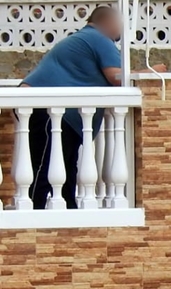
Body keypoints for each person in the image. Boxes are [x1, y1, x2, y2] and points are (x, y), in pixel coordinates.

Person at [20, 6, 123, 209]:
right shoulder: (98, 38)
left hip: (53, 111)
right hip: (49, 110)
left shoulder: (84, 38)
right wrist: (150, 72)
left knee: (65, 166)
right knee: (45, 166)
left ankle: (67, 208)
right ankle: (32, 212)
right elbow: (117, 76)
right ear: (108, 22)